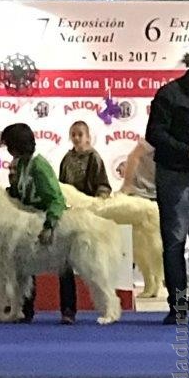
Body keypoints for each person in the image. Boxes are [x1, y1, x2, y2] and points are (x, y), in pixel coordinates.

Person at [2, 123, 75, 324]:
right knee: (25, 265)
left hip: (52, 218)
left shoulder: (40, 166)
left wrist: (50, 226)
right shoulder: (21, 165)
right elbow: (21, 193)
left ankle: (68, 310)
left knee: (63, 264)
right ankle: (26, 309)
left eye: (9, 145)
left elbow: (56, 199)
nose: (8, 150)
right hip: (30, 220)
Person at [146, 61, 189, 324]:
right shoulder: (169, 94)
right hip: (174, 175)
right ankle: (178, 306)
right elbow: (154, 133)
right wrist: (187, 150)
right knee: (175, 243)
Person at [58, 120, 112, 323]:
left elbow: (103, 185)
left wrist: (97, 202)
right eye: (73, 134)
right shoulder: (66, 159)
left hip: (89, 216)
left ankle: (107, 306)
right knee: (64, 263)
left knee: (93, 265)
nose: (77, 138)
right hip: (69, 216)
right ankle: (68, 310)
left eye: (80, 134)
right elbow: (61, 186)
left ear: (88, 136)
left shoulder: (94, 157)